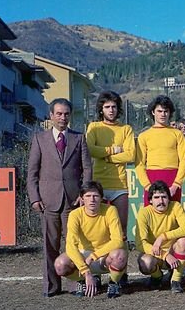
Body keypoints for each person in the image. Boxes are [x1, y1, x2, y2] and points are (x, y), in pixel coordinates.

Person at [27, 98, 92, 297]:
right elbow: (32, 172)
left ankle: (76, 285)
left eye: (66, 114)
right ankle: (51, 286)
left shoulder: (79, 138)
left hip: (73, 201)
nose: (63, 117)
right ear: (51, 116)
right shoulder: (40, 139)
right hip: (48, 201)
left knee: (74, 245)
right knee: (50, 245)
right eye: (59, 114)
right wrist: (34, 198)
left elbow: (87, 168)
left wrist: (83, 194)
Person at [53, 181, 128, 298]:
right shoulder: (75, 215)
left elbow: (117, 240)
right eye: (88, 196)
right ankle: (82, 280)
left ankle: (114, 282)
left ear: (101, 198)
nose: (92, 199)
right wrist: (85, 271)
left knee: (120, 256)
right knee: (60, 265)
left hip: (104, 256)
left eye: (95, 196)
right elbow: (70, 245)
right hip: (84, 256)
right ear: (82, 199)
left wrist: (94, 256)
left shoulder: (110, 210)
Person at [85, 91, 135, 237]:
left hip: (120, 185)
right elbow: (90, 149)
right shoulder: (94, 127)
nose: (111, 110)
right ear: (101, 109)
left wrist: (107, 158)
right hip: (98, 183)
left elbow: (130, 155)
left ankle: (121, 260)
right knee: (99, 231)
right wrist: (112, 150)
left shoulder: (126, 129)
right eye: (107, 107)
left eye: (114, 107)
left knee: (121, 229)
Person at [135, 180, 185, 293]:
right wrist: (165, 255)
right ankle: (157, 277)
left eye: (164, 197)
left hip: (173, 252)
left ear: (168, 198)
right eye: (156, 197)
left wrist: (162, 237)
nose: (161, 201)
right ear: (150, 200)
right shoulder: (144, 213)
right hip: (156, 254)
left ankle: (175, 280)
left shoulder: (176, 206)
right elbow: (140, 243)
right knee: (145, 262)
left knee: (183, 241)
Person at [135, 95, 185, 206]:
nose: (163, 114)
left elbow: (183, 160)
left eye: (166, 111)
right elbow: (139, 164)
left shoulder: (177, 134)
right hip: (151, 177)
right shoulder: (144, 136)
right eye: (159, 111)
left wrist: (176, 184)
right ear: (153, 112)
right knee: (151, 217)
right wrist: (147, 186)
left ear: (170, 113)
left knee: (173, 216)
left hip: (173, 178)